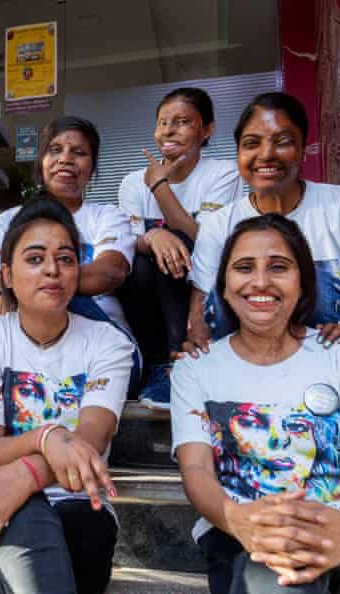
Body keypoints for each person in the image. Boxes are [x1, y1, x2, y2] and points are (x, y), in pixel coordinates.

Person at [171, 214, 340, 594]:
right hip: (237, 532)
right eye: (244, 268)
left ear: (303, 283)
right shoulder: (195, 369)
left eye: (279, 267)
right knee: (270, 575)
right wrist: (240, 521)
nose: (261, 282)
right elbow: (196, 472)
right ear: (224, 285)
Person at [0, 197, 134, 594]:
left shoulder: (108, 344)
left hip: (79, 510)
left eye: (66, 258)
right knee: (26, 514)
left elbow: (90, 443)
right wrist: (46, 437)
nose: (52, 269)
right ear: (7, 275)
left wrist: (24, 475)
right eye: (35, 259)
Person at [184, 92, 340, 357]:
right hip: (250, 355)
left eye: (282, 142)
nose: (266, 154)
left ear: (303, 149)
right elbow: (204, 303)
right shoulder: (218, 223)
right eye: (251, 144)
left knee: (310, 277)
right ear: (238, 155)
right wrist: (202, 354)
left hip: (332, 350)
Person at [117, 87, 241, 409]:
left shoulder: (223, 173)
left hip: (206, 285)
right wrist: (153, 238)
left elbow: (206, 239)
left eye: (182, 122)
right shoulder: (132, 182)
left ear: (207, 129)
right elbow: (127, 241)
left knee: (180, 242)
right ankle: (158, 365)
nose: (169, 130)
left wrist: (160, 187)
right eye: (163, 122)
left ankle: (181, 362)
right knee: (141, 258)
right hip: (151, 293)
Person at [0, 116, 134, 340]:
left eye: (79, 152)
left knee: (63, 299)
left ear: (92, 168)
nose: (65, 159)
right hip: (28, 332)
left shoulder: (107, 216)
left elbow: (108, 273)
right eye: (55, 150)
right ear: (42, 162)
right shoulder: (9, 220)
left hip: (98, 327)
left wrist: (21, 287)